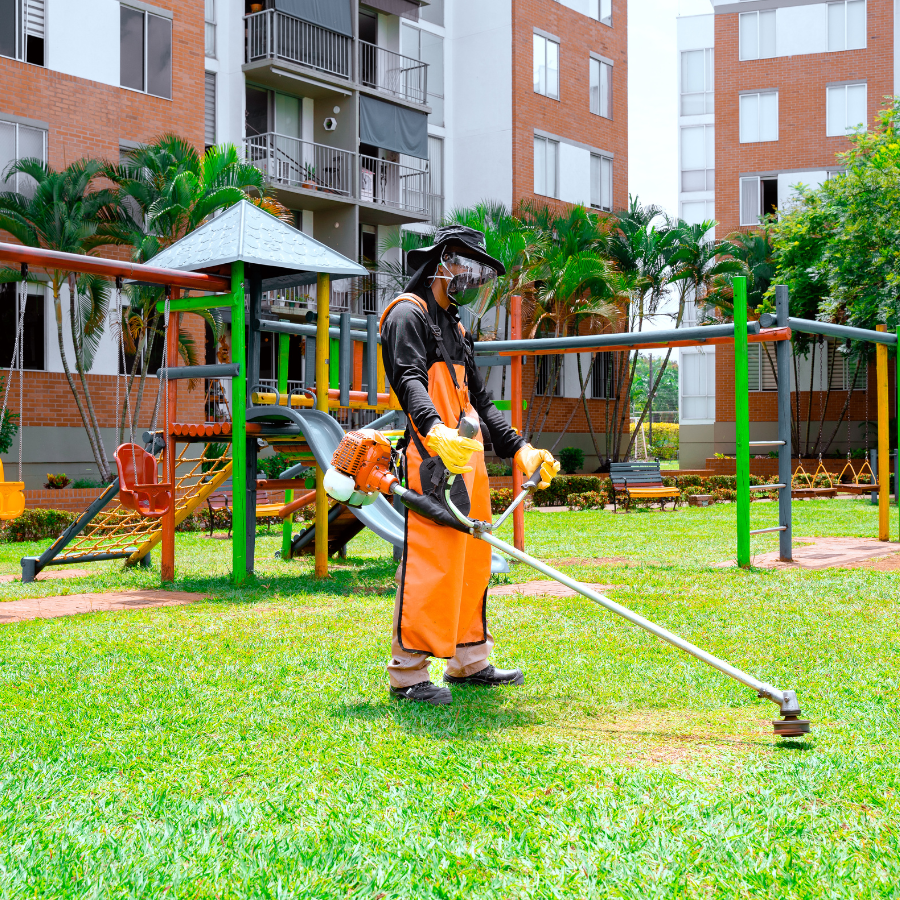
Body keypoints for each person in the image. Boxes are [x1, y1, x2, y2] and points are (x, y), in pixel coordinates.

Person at [379, 225, 560, 705]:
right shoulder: (406, 315)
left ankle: (469, 659)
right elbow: (410, 378)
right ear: (440, 262)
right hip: (431, 459)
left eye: (476, 270)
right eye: (464, 264)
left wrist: (519, 448)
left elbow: (480, 401)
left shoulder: (456, 328)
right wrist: (433, 428)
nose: (470, 276)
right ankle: (408, 673)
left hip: (470, 463)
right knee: (429, 562)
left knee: (473, 560)